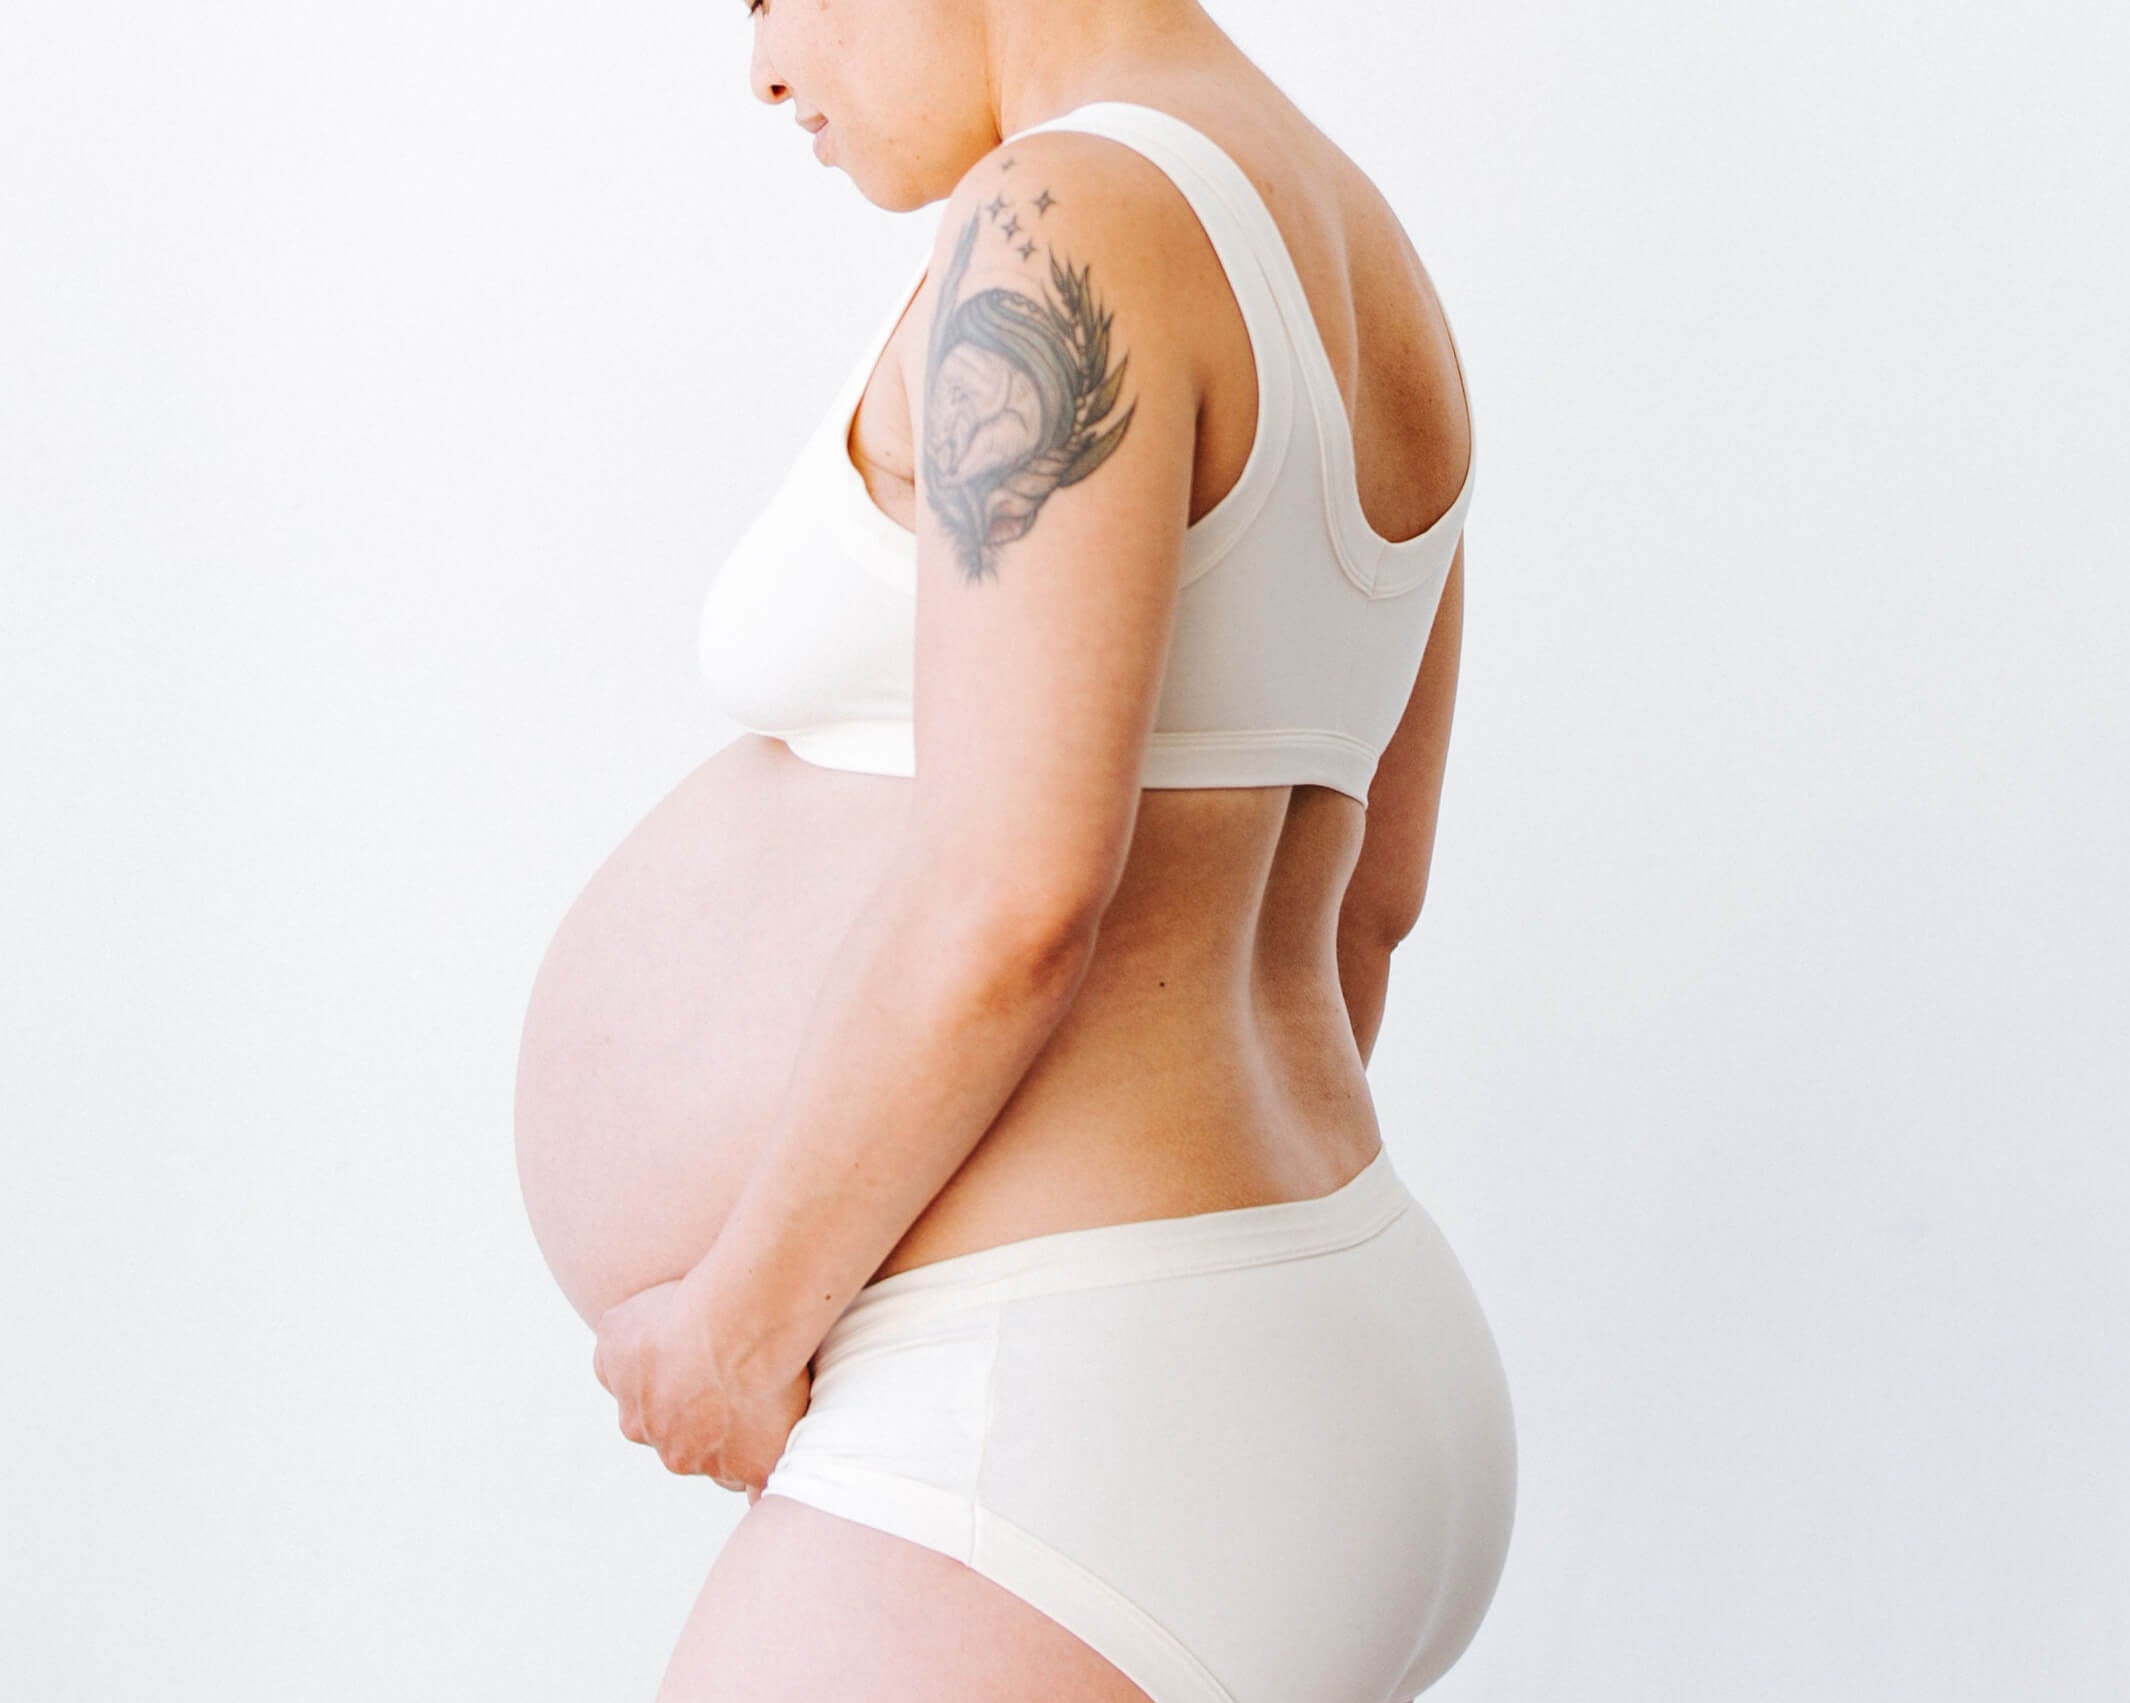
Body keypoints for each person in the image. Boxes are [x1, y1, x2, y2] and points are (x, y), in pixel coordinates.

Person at [638, 1, 1516, 1697]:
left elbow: (1011, 896)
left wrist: (737, 1324)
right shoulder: (1352, 237)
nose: (756, 69)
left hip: (1062, 1412)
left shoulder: (1070, 220)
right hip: (1272, 1339)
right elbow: (1367, 910)